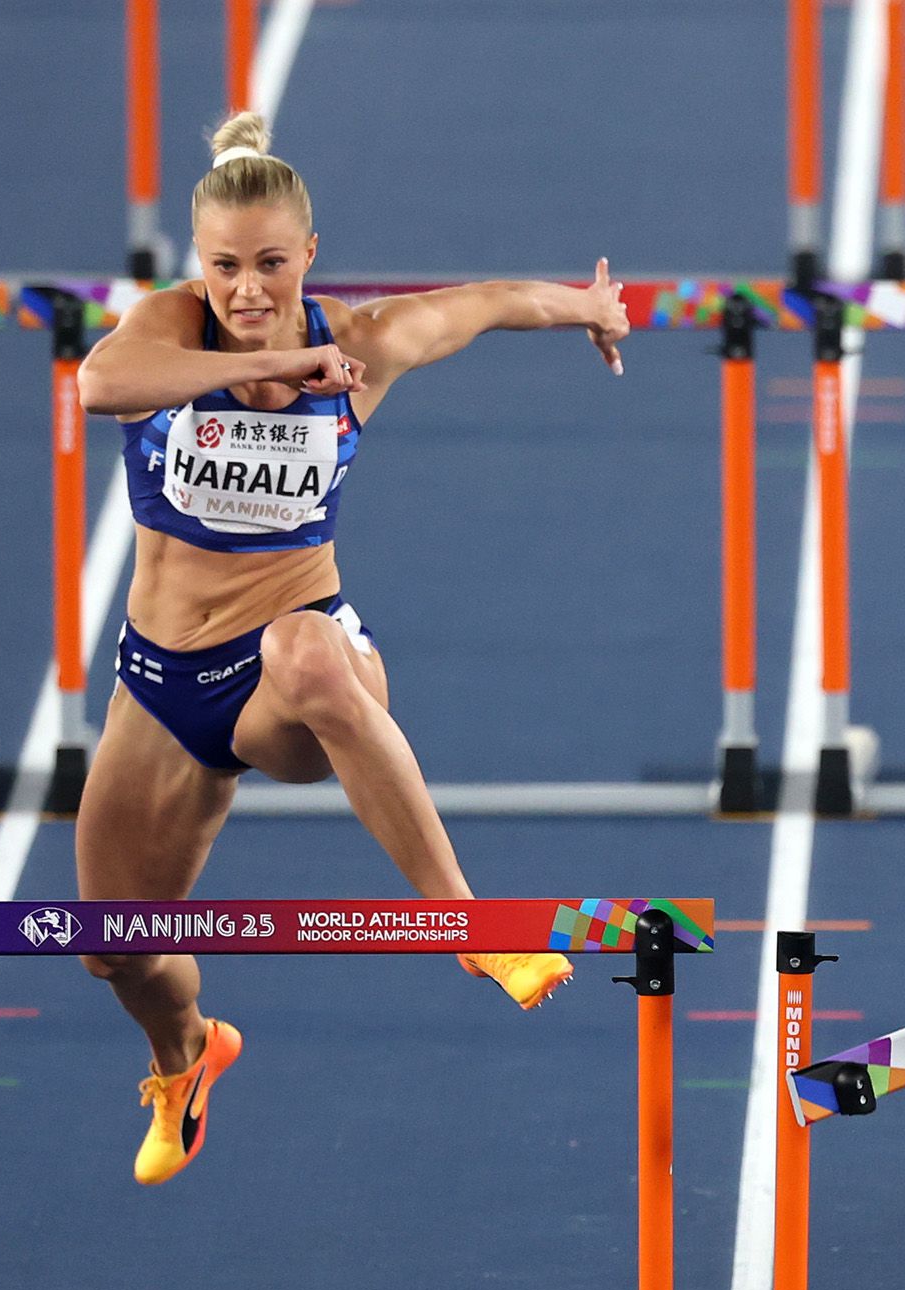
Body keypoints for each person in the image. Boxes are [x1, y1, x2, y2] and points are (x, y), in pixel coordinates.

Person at [74, 113, 631, 1185]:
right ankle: (185, 1056)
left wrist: (584, 308)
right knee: (112, 947)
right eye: (226, 266)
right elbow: (99, 385)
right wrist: (286, 359)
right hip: (164, 683)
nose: (247, 289)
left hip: (293, 667)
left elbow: (478, 307)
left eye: (272, 265)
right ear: (198, 264)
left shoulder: (364, 346)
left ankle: (472, 924)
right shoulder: (164, 331)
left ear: (308, 257)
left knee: (309, 655)